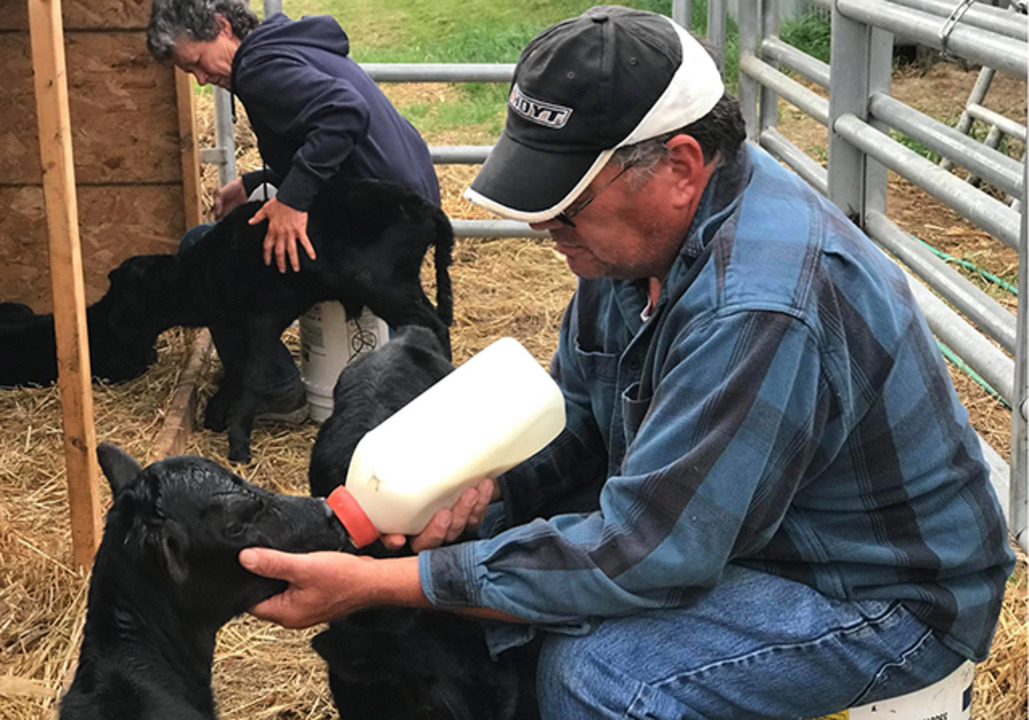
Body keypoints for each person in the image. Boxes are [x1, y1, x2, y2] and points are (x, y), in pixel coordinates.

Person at [236, 7, 1015, 718]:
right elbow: (574, 419)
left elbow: (653, 553)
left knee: (603, 675)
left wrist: (384, 585)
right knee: (518, 598)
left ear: (679, 166)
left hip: (876, 593)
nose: (544, 224)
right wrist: (487, 494)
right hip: (754, 535)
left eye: (566, 200)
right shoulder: (634, 251)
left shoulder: (760, 307)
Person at [146, 0, 440, 422]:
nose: (200, 79)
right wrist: (253, 182)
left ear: (222, 26)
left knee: (204, 250)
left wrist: (293, 200)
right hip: (404, 207)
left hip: (373, 224)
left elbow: (343, 113)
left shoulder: (259, 69)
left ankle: (274, 390)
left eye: (196, 62)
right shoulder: (283, 44)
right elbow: (317, 133)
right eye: (190, 73)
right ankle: (410, 376)